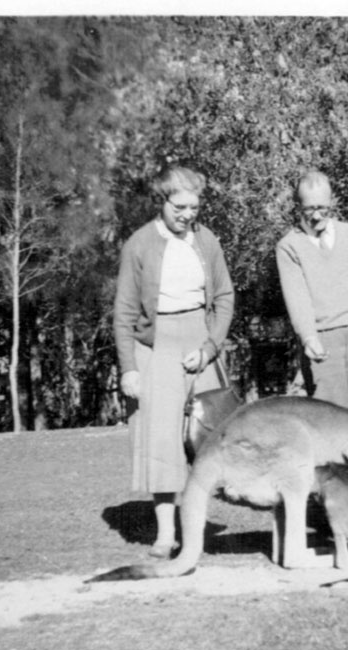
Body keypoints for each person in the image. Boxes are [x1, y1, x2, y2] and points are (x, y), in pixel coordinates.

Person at [113, 165, 235, 558]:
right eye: (179, 206)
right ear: (161, 202)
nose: (187, 214)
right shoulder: (139, 244)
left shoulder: (207, 240)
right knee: (162, 439)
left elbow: (224, 298)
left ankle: (195, 527)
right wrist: (129, 367)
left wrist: (210, 346)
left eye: (194, 207)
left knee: (207, 438)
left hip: (198, 340)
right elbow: (125, 312)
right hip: (157, 346)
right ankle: (166, 534)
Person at [277, 171, 348, 411]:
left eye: (322, 208)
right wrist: (309, 337)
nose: (316, 216)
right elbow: (297, 299)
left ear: (332, 202)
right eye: (308, 209)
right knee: (332, 420)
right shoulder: (289, 246)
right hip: (323, 342)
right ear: (297, 206)